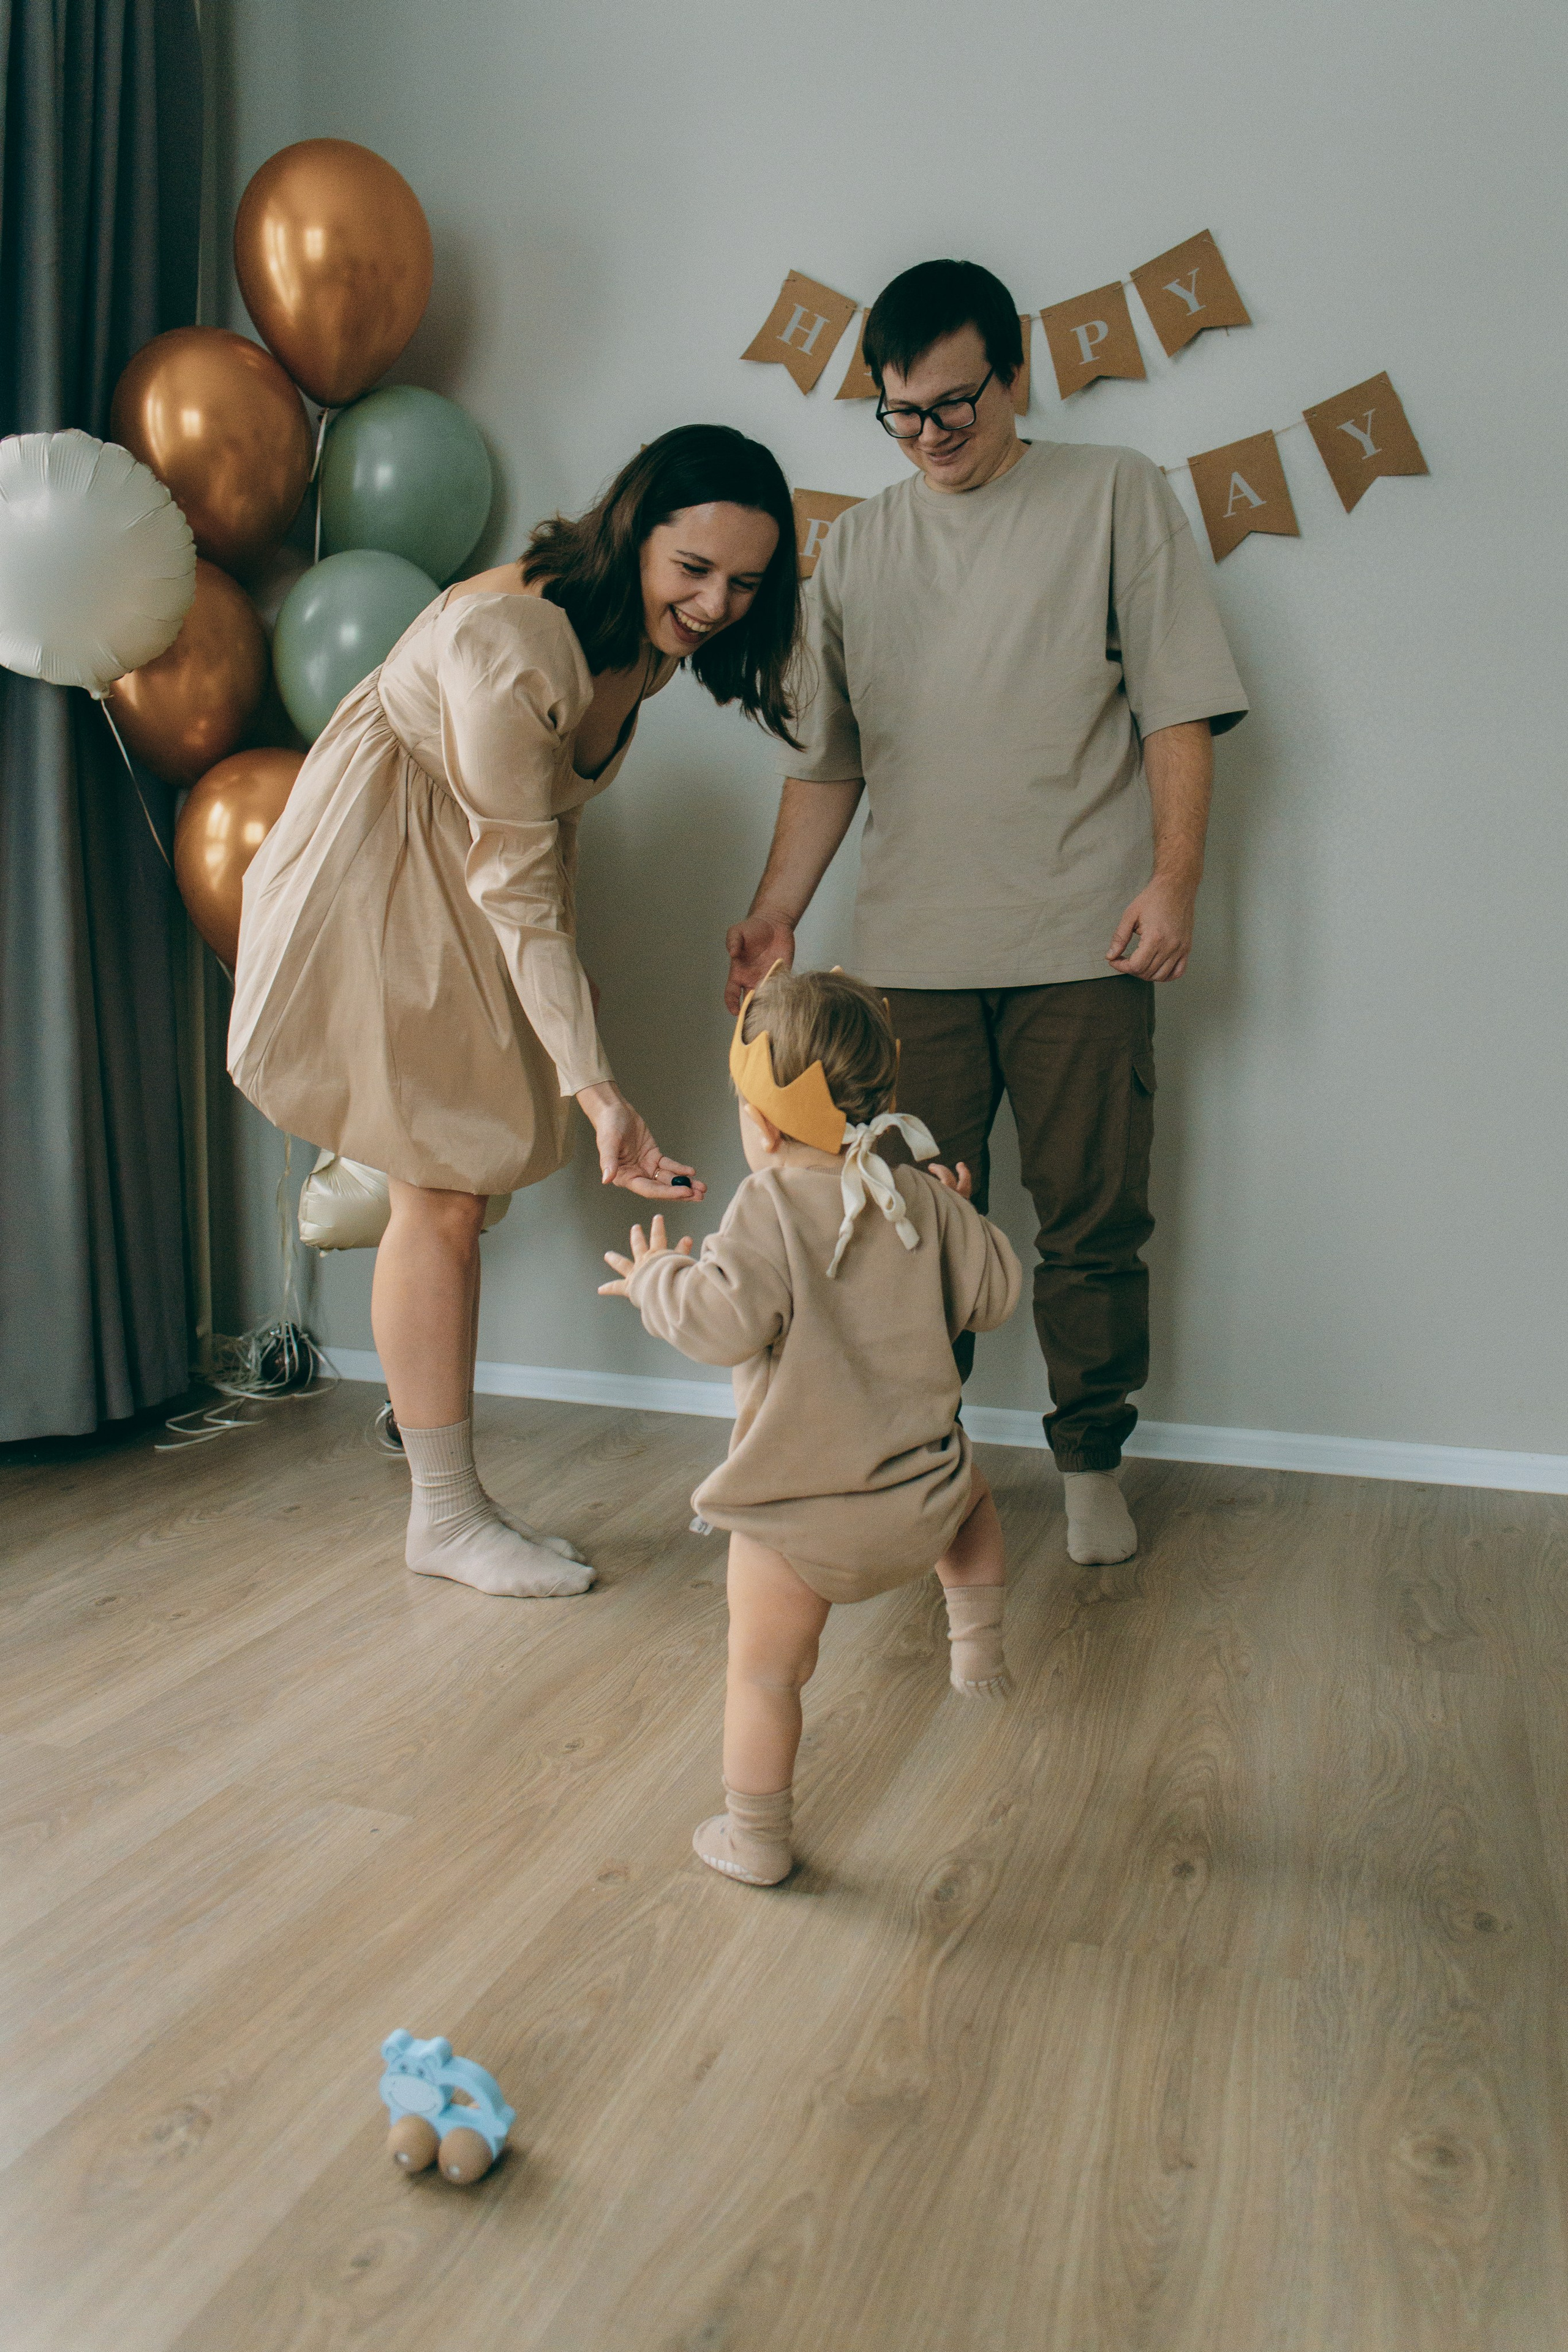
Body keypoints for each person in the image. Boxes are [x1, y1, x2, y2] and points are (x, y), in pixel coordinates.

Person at [725, 260, 1249, 1569]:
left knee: (1088, 1222)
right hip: (908, 957)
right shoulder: (856, 546)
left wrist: (1173, 878)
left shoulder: (1115, 495)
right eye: (900, 416)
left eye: (952, 407)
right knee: (898, 1239)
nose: (928, 438)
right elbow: (826, 760)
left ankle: (1087, 1462)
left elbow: (1175, 703)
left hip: (1081, 936)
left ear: (1012, 378)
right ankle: (920, 1472)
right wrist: (772, 913)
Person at [230, 425, 802, 1599]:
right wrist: (601, 1093)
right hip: (380, 873)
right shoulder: (518, 641)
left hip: (468, 877)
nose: (715, 605)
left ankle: (446, 1489)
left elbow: (542, 833)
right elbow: (520, 873)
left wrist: (571, 1007)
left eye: (746, 582)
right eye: (693, 569)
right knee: (439, 1187)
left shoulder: (635, 641)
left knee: (456, 1182)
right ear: (636, 529)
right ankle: (443, 1515)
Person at [599, 967, 1022, 1887]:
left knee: (764, 1679)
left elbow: (720, 1324)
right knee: (976, 1488)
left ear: (760, 1122)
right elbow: (994, 1297)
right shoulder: (920, 1197)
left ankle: (755, 1838)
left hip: (800, 1523)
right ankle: (977, 1640)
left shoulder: (769, 1206)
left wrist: (653, 1282)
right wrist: (959, 1208)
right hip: (924, 1506)